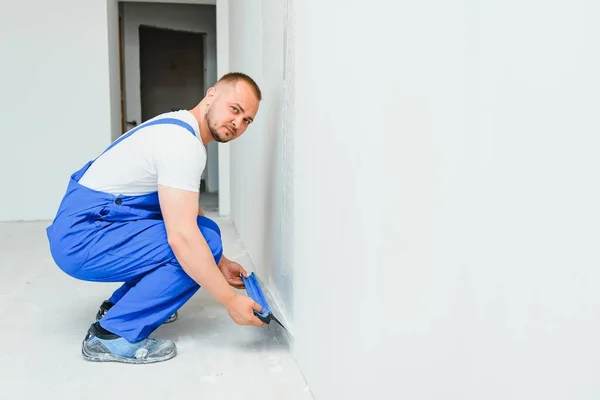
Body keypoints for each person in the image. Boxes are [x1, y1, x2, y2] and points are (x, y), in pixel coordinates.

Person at [46, 72, 266, 364]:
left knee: (204, 233)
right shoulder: (182, 145)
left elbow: (182, 207)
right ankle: (112, 334)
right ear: (211, 95)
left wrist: (220, 262)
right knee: (200, 241)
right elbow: (183, 238)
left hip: (87, 228)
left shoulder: (178, 127)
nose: (238, 124)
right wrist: (230, 300)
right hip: (83, 239)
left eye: (247, 120)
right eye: (235, 110)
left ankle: (121, 306)